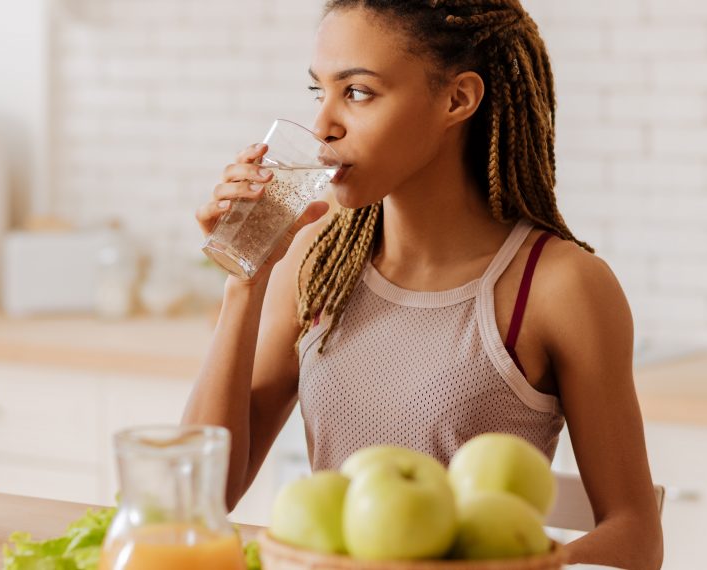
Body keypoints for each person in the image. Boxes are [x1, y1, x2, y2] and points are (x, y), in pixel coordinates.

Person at [183, 0, 663, 567]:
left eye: (357, 92)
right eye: (320, 92)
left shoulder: (559, 286)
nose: (322, 125)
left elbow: (635, 535)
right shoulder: (318, 258)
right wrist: (245, 280)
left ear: (457, 99)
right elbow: (198, 500)